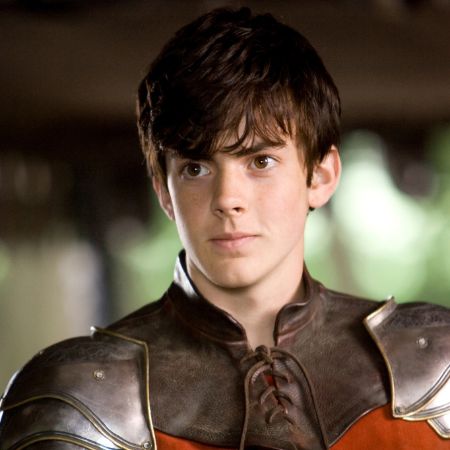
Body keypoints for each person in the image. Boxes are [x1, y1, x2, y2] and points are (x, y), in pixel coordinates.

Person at [0, 7, 449, 450]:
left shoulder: (435, 370)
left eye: (261, 161)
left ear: (320, 176)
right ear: (164, 192)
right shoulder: (78, 402)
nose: (227, 199)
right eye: (195, 168)